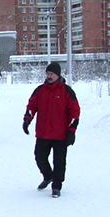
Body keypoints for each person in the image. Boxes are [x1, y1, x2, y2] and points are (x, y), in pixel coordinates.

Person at [22, 61, 80, 198]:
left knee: (59, 162)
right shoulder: (40, 90)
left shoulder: (67, 92)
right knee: (39, 157)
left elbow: (75, 113)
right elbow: (31, 106)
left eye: (51, 74)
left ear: (58, 75)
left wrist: (72, 132)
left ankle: (57, 186)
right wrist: (26, 120)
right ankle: (48, 176)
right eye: (47, 73)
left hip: (61, 135)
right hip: (43, 133)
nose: (49, 76)